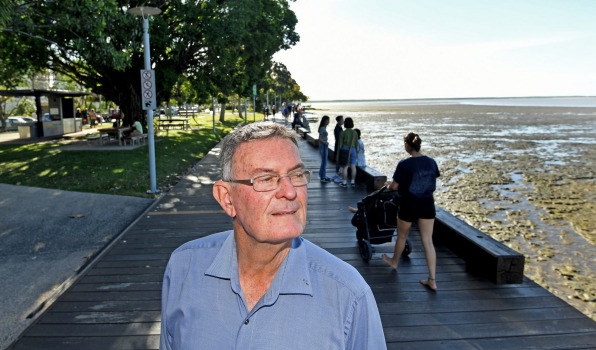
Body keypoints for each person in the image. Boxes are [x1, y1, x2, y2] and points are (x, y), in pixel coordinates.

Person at [160, 122, 386, 349]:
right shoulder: (183, 268)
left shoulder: (348, 295)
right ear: (228, 199)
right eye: (266, 179)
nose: (290, 192)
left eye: (297, 175)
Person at [382, 132, 441, 291]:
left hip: (408, 204)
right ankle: (432, 280)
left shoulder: (404, 164)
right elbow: (431, 180)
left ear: (407, 145)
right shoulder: (431, 162)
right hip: (427, 204)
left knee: (402, 235)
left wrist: (388, 185)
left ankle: (394, 262)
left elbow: (394, 187)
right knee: (428, 241)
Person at [336, 117, 358, 188]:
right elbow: (356, 143)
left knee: (345, 166)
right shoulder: (355, 132)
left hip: (345, 149)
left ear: (345, 123)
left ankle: (344, 182)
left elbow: (340, 144)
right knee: (353, 167)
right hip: (353, 149)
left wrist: (338, 155)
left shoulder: (342, 133)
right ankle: (353, 181)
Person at [317, 116, 331, 182]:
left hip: (324, 145)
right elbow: (319, 139)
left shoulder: (323, 127)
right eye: (328, 120)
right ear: (325, 121)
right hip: (323, 145)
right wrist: (325, 142)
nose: (329, 121)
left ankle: (322, 175)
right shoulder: (322, 128)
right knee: (324, 161)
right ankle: (323, 177)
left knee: (324, 161)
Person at [332, 115, 344, 183]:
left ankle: (337, 174)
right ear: (339, 121)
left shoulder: (339, 128)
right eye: (342, 120)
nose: (343, 121)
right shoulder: (337, 128)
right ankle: (338, 175)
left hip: (338, 146)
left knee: (338, 161)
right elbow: (338, 139)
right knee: (338, 161)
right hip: (338, 146)